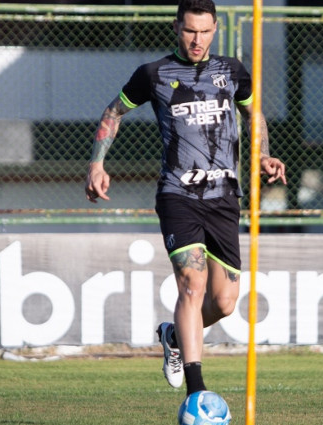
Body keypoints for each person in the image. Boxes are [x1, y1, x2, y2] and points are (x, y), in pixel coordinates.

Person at [85, 0, 286, 396]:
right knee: (191, 287)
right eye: (190, 31)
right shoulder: (153, 74)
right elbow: (113, 112)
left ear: (215, 29)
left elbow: (253, 113)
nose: (197, 40)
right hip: (178, 195)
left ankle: (174, 338)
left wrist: (263, 153)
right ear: (177, 28)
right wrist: (96, 163)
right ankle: (198, 392)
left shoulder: (231, 72)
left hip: (224, 196)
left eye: (205, 31)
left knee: (225, 302)